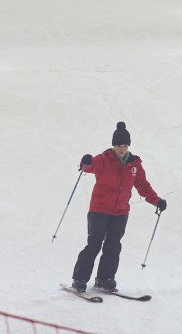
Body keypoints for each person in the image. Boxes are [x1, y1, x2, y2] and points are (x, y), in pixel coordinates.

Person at [71, 122, 165, 294]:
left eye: (125, 146)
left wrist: (157, 201)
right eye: (119, 146)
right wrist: (85, 161)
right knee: (94, 244)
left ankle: (105, 279)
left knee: (113, 246)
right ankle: (79, 279)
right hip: (99, 209)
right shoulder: (103, 159)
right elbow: (88, 167)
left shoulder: (134, 165)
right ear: (113, 145)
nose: (122, 149)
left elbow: (143, 186)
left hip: (120, 212)